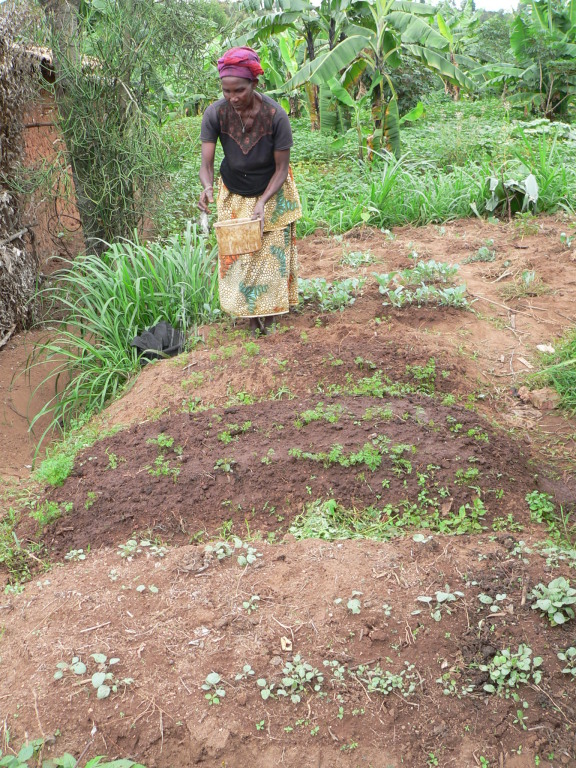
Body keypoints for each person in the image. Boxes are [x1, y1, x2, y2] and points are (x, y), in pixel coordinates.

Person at [198, 46, 302, 335]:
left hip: (272, 188)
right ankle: (249, 318)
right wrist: (207, 188)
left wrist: (263, 202)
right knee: (239, 256)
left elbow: (281, 169)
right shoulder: (215, 114)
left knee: (270, 256)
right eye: (226, 91)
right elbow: (205, 164)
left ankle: (269, 318)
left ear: (254, 84)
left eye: (239, 90)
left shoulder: (275, 116)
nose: (232, 98)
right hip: (233, 189)